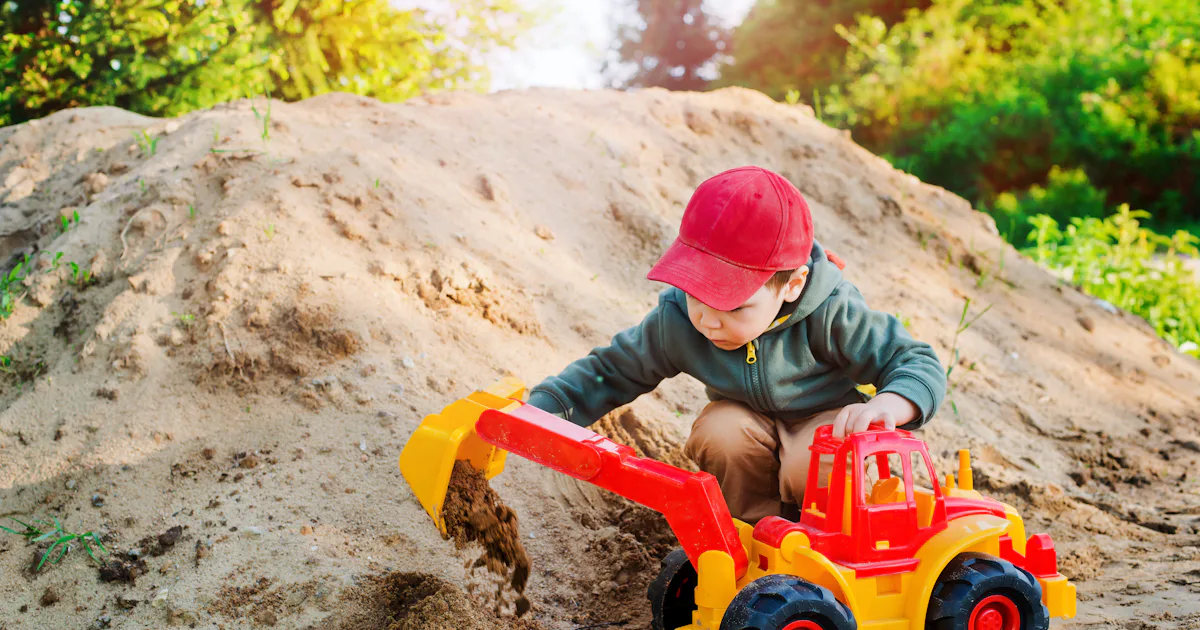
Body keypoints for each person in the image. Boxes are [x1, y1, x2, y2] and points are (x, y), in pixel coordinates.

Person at [526, 166, 946, 523]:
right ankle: (752, 533)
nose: (707, 318)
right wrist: (547, 410)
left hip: (825, 423)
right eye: (696, 293)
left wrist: (885, 406)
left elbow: (916, 361)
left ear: (792, 285)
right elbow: (614, 369)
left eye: (732, 304)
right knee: (720, 430)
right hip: (747, 427)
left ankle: (820, 542)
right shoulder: (678, 321)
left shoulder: (832, 311)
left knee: (814, 461)